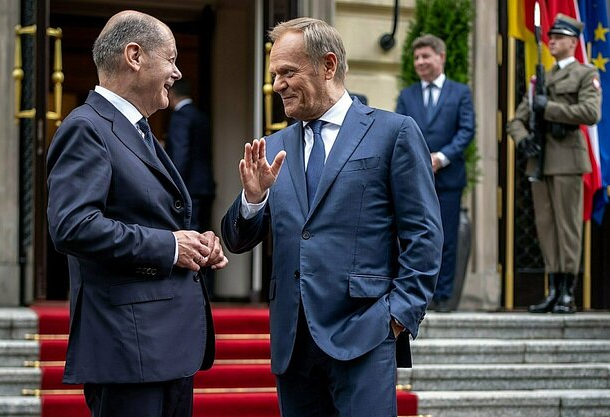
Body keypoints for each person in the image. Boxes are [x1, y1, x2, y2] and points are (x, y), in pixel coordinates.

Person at [221, 17, 442, 417]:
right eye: (274, 75)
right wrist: (252, 199)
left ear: (327, 65)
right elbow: (236, 240)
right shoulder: (273, 146)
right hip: (293, 343)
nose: (277, 85)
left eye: (288, 72)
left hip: (365, 333)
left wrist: (397, 316)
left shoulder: (393, 133)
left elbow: (424, 235)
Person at [46, 10, 228, 417]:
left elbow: (152, 217)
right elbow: (73, 226)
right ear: (134, 55)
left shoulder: (139, 129)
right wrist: (169, 247)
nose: (177, 73)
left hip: (166, 349)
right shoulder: (86, 127)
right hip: (129, 352)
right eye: (171, 58)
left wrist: (195, 244)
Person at [507, 14, 600, 314]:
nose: (552, 41)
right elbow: (516, 120)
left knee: (567, 227)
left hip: (567, 159)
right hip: (540, 161)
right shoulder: (540, 80)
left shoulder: (585, 74)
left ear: (573, 42)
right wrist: (523, 140)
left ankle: (567, 293)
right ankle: (553, 289)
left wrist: (551, 108)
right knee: (546, 228)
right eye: (551, 36)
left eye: (559, 37)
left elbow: (590, 112)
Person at [395, 34, 475, 312]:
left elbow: (467, 130)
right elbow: (399, 133)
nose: (420, 62)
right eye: (416, 58)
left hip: (449, 179)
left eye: (425, 56)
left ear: (440, 57)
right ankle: (420, 294)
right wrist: (419, 159)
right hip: (414, 180)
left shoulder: (460, 92)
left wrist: (440, 158)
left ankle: (443, 297)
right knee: (417, 236)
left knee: (448, 238)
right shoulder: (407, 96)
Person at [166, 79, 216, 294]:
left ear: (171, 94)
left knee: (192, 238)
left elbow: (181, 154)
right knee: (206, 237)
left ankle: (195, 289)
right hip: (204, 186)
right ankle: (209, 288)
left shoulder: (181, 117)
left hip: (188, 189)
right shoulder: (200, 115)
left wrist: (174, 188)